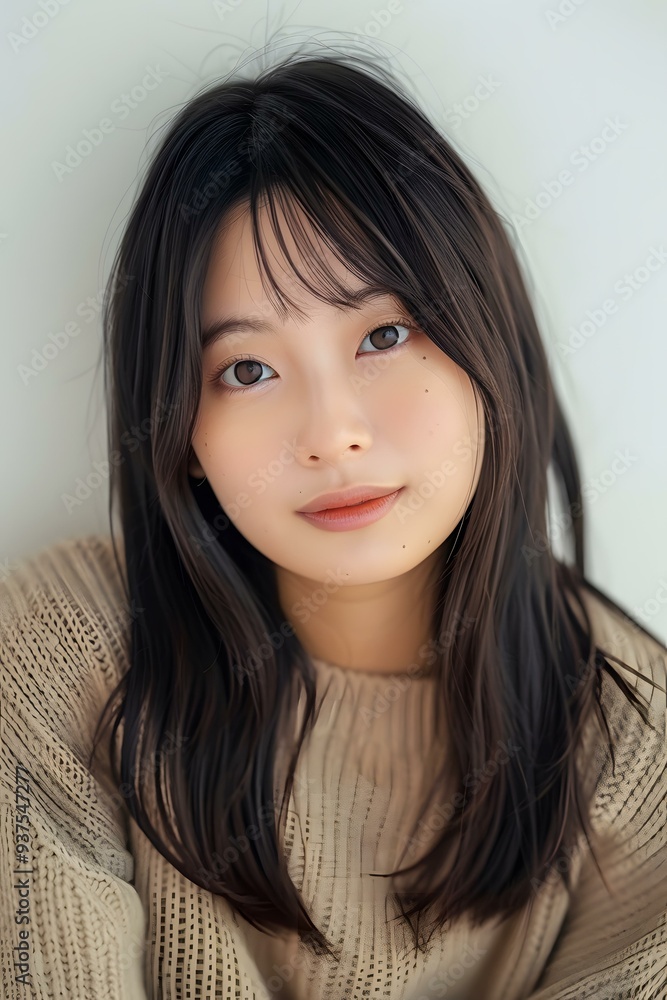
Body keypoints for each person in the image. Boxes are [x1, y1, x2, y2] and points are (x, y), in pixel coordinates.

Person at [1, 48, 665, 1000]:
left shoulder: (633, 746)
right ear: (182, 431)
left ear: (488, 347)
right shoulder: (63, 660)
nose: (332, 435)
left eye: (383, 336)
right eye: (247, 370)